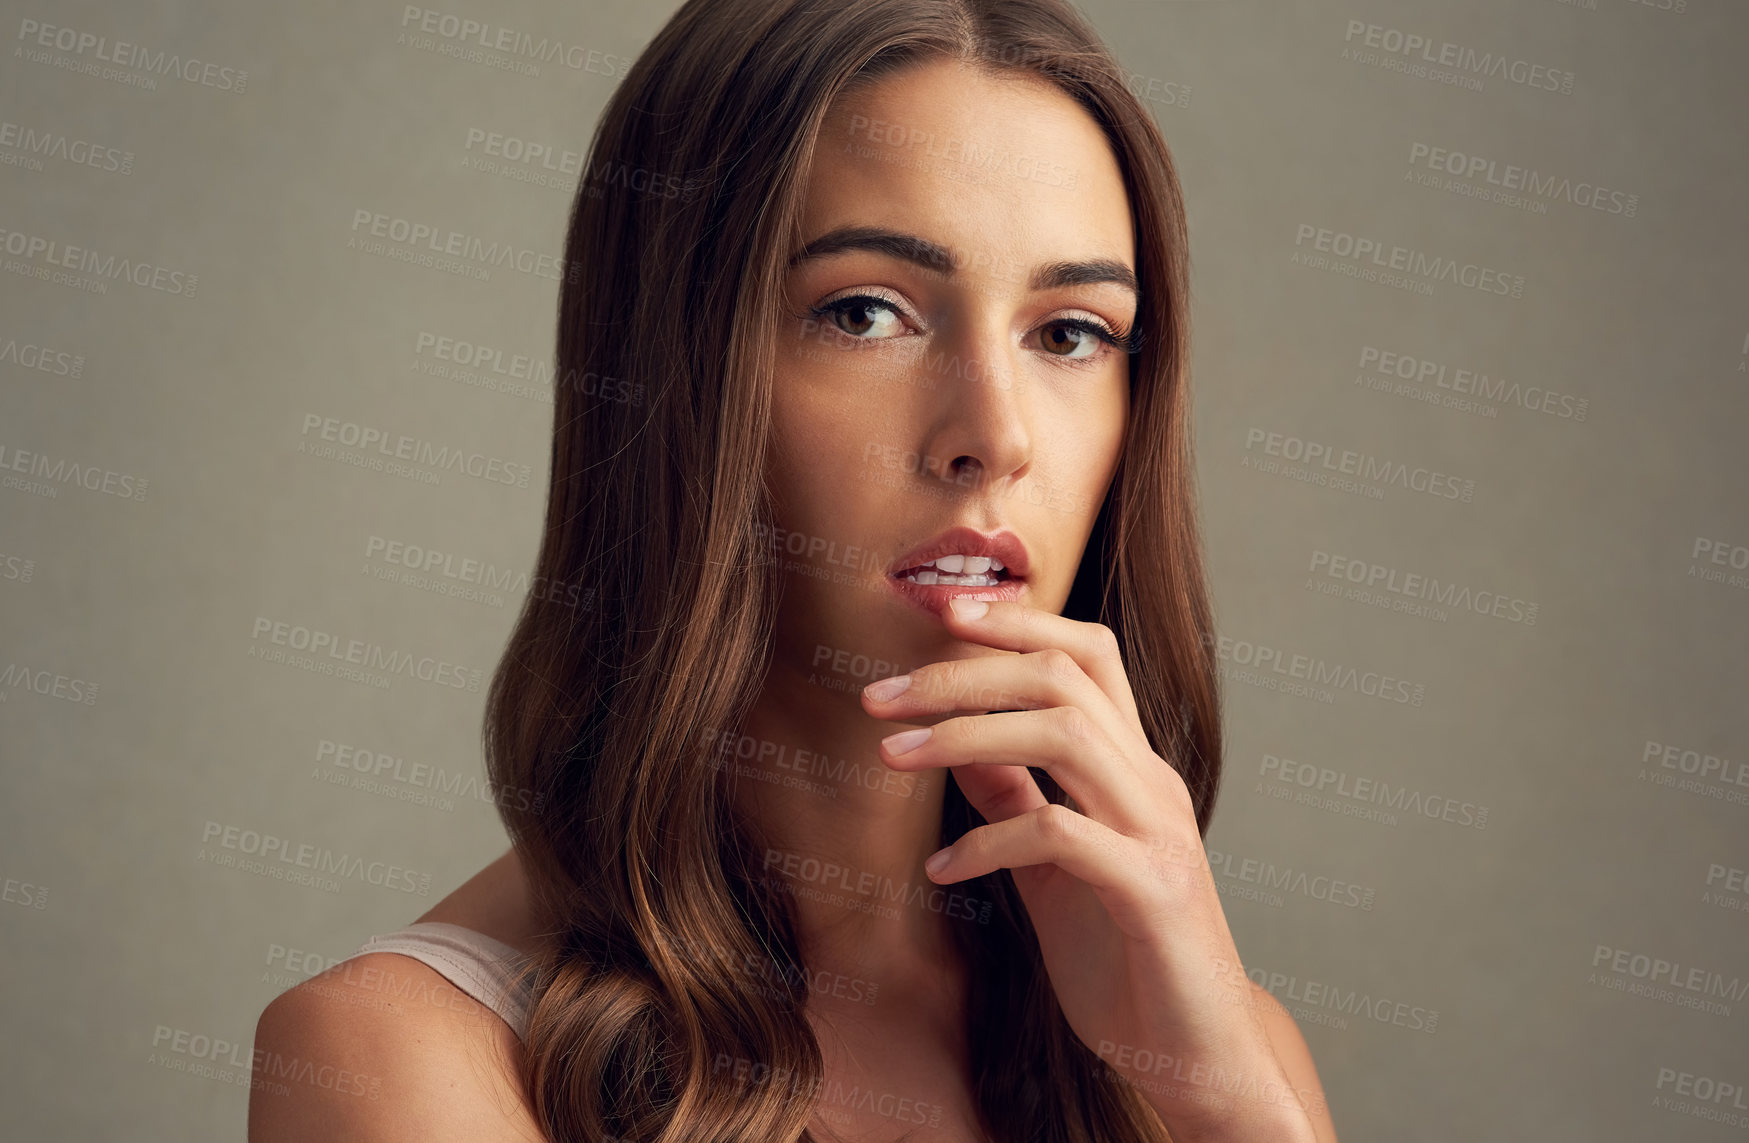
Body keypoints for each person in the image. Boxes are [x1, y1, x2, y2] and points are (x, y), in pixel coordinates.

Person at [250, 0, 1337, 1139]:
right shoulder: (406, 1062)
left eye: (1068, 333)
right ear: (675, 365)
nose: (996, 436)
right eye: (867, 313)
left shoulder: (1219, 1048)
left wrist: (1223, 1101)